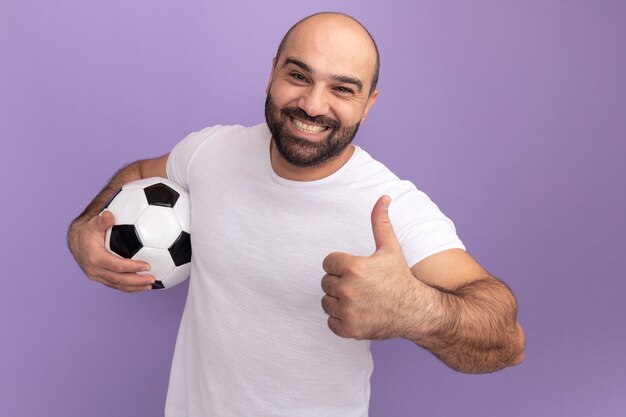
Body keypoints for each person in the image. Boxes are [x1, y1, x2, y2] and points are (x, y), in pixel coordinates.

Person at [67, 12, 525, 417]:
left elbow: (508, 342)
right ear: (271, 74)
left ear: (369, 105)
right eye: (298, 76)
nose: (311, 104)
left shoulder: (390, 206)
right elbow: (136, 175)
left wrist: (415, 311)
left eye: (343, 89)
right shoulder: (210, 150)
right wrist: (84, 230)